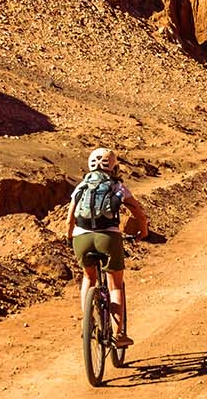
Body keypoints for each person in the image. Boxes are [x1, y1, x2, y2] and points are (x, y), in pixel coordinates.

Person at [68, 147, 150, 347]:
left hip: (81, 238)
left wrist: (71, 238)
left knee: (88, 277)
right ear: (114, 167)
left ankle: (87, 323)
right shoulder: (117, 187)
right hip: (108, 238)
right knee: (115, 285)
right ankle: (118, 334)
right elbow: (137, 212)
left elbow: (69, 219)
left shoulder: (81, 187)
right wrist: (143, 229)